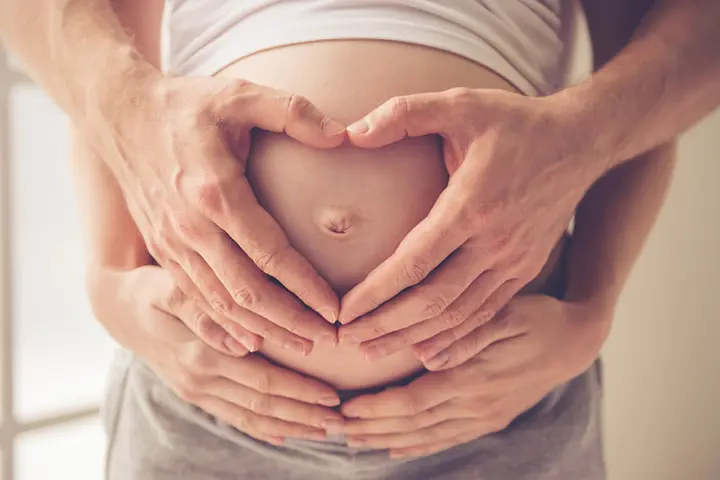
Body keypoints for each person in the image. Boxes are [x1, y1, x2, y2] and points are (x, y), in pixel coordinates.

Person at [0, 0, 715, 478]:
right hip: (205, 398)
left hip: (499, 409)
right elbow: (92, 42)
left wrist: (592, 307)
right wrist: (108, 281)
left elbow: (671, 38)